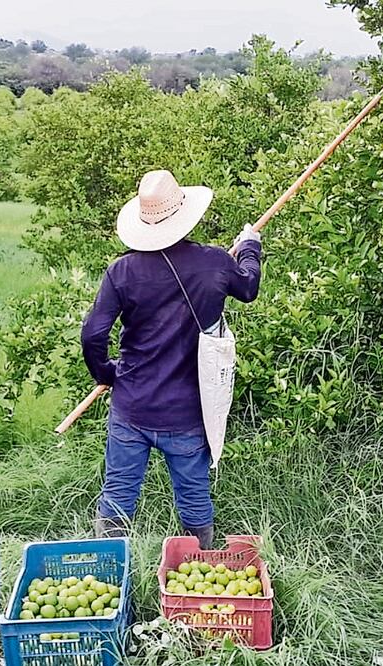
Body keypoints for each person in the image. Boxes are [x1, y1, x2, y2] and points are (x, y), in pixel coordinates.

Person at [81, 169, 263, 550]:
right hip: (187, 411)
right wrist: (249, 247)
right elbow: (248, 287)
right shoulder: (215, 263)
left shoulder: (121, 271)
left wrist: (108, 374)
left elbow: (93, 334)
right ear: (183, 215)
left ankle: (110, 565)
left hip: (132, 404)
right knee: (194, 496)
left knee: (118, 494)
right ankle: (199, 560)